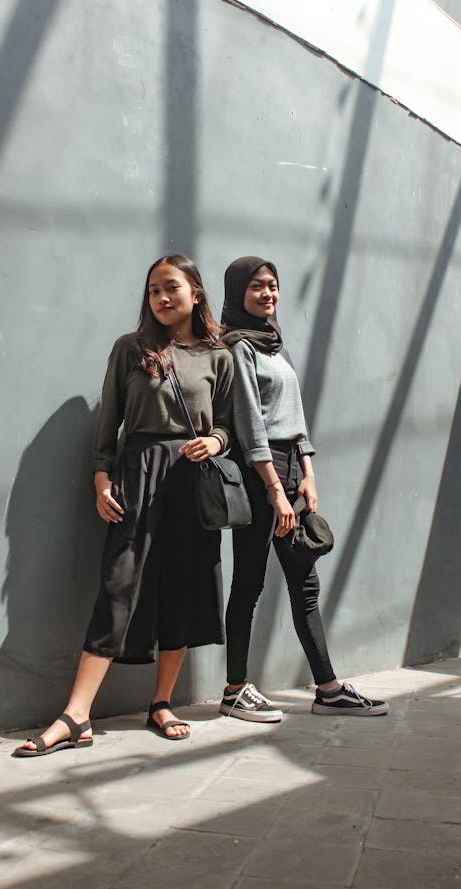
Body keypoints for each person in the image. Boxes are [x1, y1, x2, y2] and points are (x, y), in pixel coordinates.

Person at [13, 255, 233, 755]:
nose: (161, 297)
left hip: (190, 480)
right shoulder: (131, 349)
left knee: (180, 587)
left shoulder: (218, 355)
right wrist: (101, 480)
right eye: (153, 290)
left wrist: (216, 443)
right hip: (137, 475)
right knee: (118, 586)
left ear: (195, 292)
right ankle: (76, 714)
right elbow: (108, 422)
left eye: (171, 287)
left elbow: (229, 423)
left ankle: (161, 703)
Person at [218, 256, 388, 721]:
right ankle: (234, 689)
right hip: (261, 473)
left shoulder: (276, 347)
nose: (268, 294)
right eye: (257, 287)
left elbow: (296, 416)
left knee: (305, 584)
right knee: (249, 584)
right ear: (237, 292)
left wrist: (308, 472)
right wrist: (273, 488)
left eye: (273, 285)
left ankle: (328, 689)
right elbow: (250, 424)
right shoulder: (238, 348)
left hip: (291, 468)